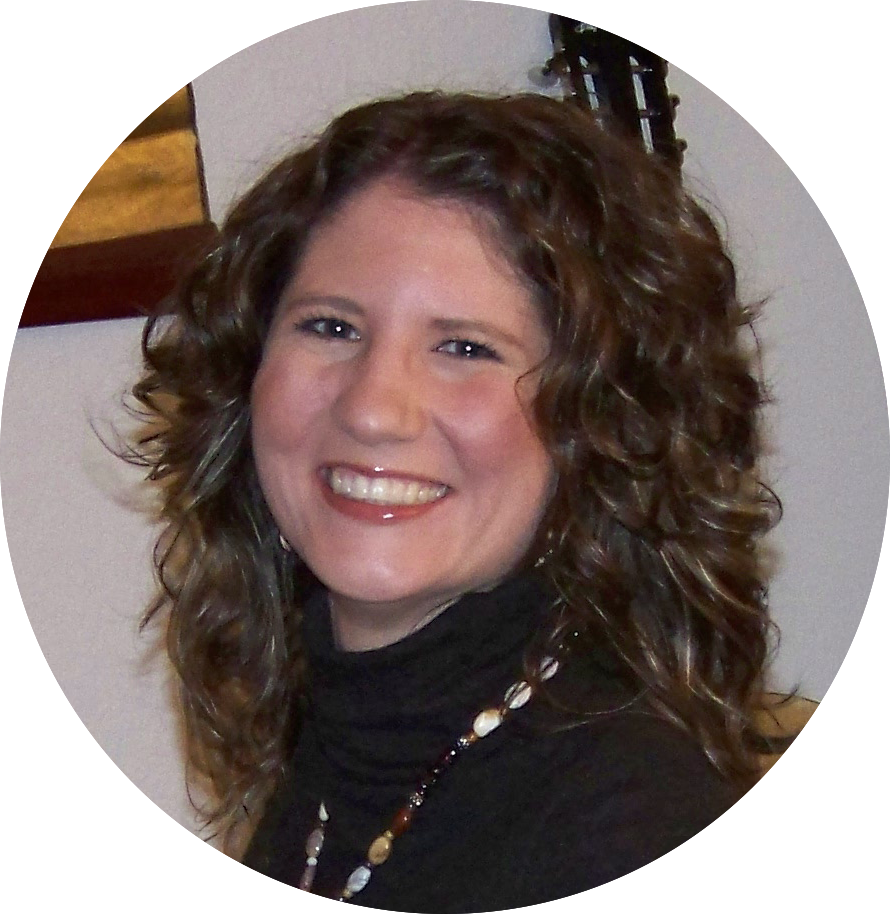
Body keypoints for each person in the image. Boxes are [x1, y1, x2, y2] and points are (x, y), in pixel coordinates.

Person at [125, 91, 782, 908]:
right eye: (331, 327)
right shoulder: (341, 738)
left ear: (601, 421)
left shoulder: (622, 822)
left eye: (464, 347)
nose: (372, 407)